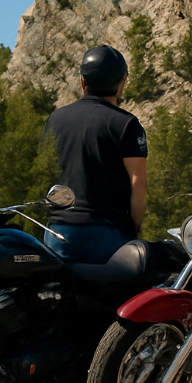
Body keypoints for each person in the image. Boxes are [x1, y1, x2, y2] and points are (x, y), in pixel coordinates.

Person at [43, 45, 148, 264]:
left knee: (59, 296)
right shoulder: (126, 124)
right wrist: (135, 226)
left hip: (59, 231)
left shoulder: (55, 120)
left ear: (83, 82)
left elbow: (45, 174)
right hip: (109, 232)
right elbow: (138, 182)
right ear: (122, 83)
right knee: (117, 297)